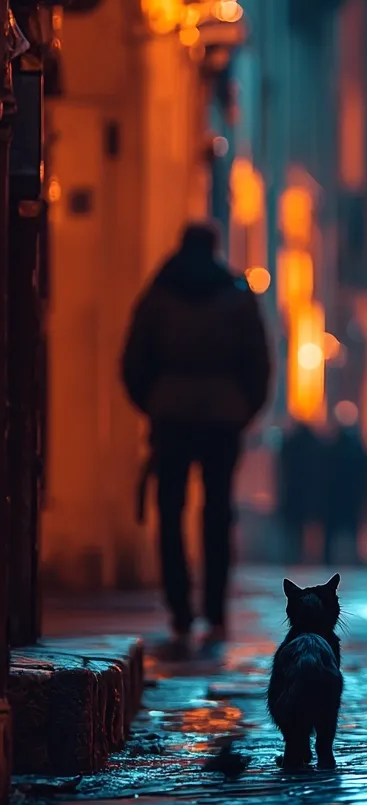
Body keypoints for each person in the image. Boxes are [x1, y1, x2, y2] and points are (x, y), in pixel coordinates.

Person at [121, 223, 271, 651]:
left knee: (170, 510)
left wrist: (154, 401)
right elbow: (258, 363)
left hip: (170, 413)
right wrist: (242, 408)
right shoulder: (237, 296)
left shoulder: (158, 296)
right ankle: (216, 610)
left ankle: (180, 609)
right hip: (223, 415)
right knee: (218, 512)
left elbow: (134, 359)